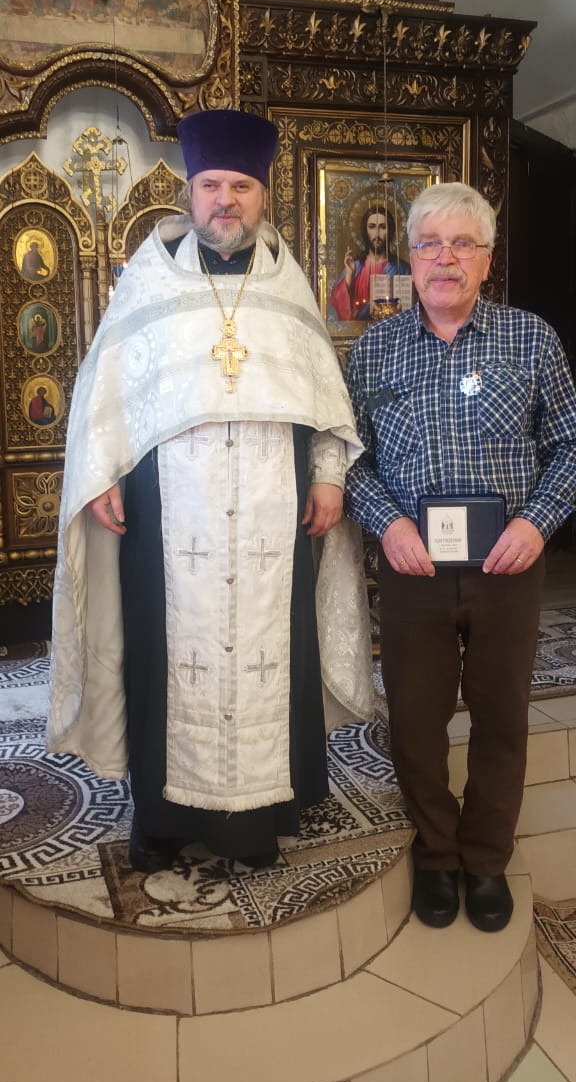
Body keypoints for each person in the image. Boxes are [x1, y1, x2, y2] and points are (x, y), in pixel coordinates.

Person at [47, 109, 373, 874]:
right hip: (168, 516)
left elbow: (325, 398)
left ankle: (255, 824)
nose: (225, 200)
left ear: (262, 196)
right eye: (211, 186)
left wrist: (329, 476)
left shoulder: (288, 286)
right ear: (190, 193)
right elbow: (104, 390)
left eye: (241, 187)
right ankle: (160, 821)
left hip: (273, 516)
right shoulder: (149, 281)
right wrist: (101, 477)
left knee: (270, 655)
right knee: (162, 655)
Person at [344, 182, 576, 933]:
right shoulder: (373, 352)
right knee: (416, 719)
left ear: (486, 258)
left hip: (509, 565)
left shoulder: (531, 340)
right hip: (412, 568)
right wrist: (388, 524)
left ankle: (485, 857)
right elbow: (350, 459)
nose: (445, 259)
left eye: (462, 244)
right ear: (409, 257)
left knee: (502, 715)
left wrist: (537, 524)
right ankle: (437, 853)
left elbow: (570, 445)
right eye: (430, 244)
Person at [330, 205, 410, 322]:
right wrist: (349, 276)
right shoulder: (355, 267)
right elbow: (337, 309)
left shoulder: (401, 268)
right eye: (372, 227)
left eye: (382, 227)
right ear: (365, 231)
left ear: (390, 231)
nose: (377, 234)